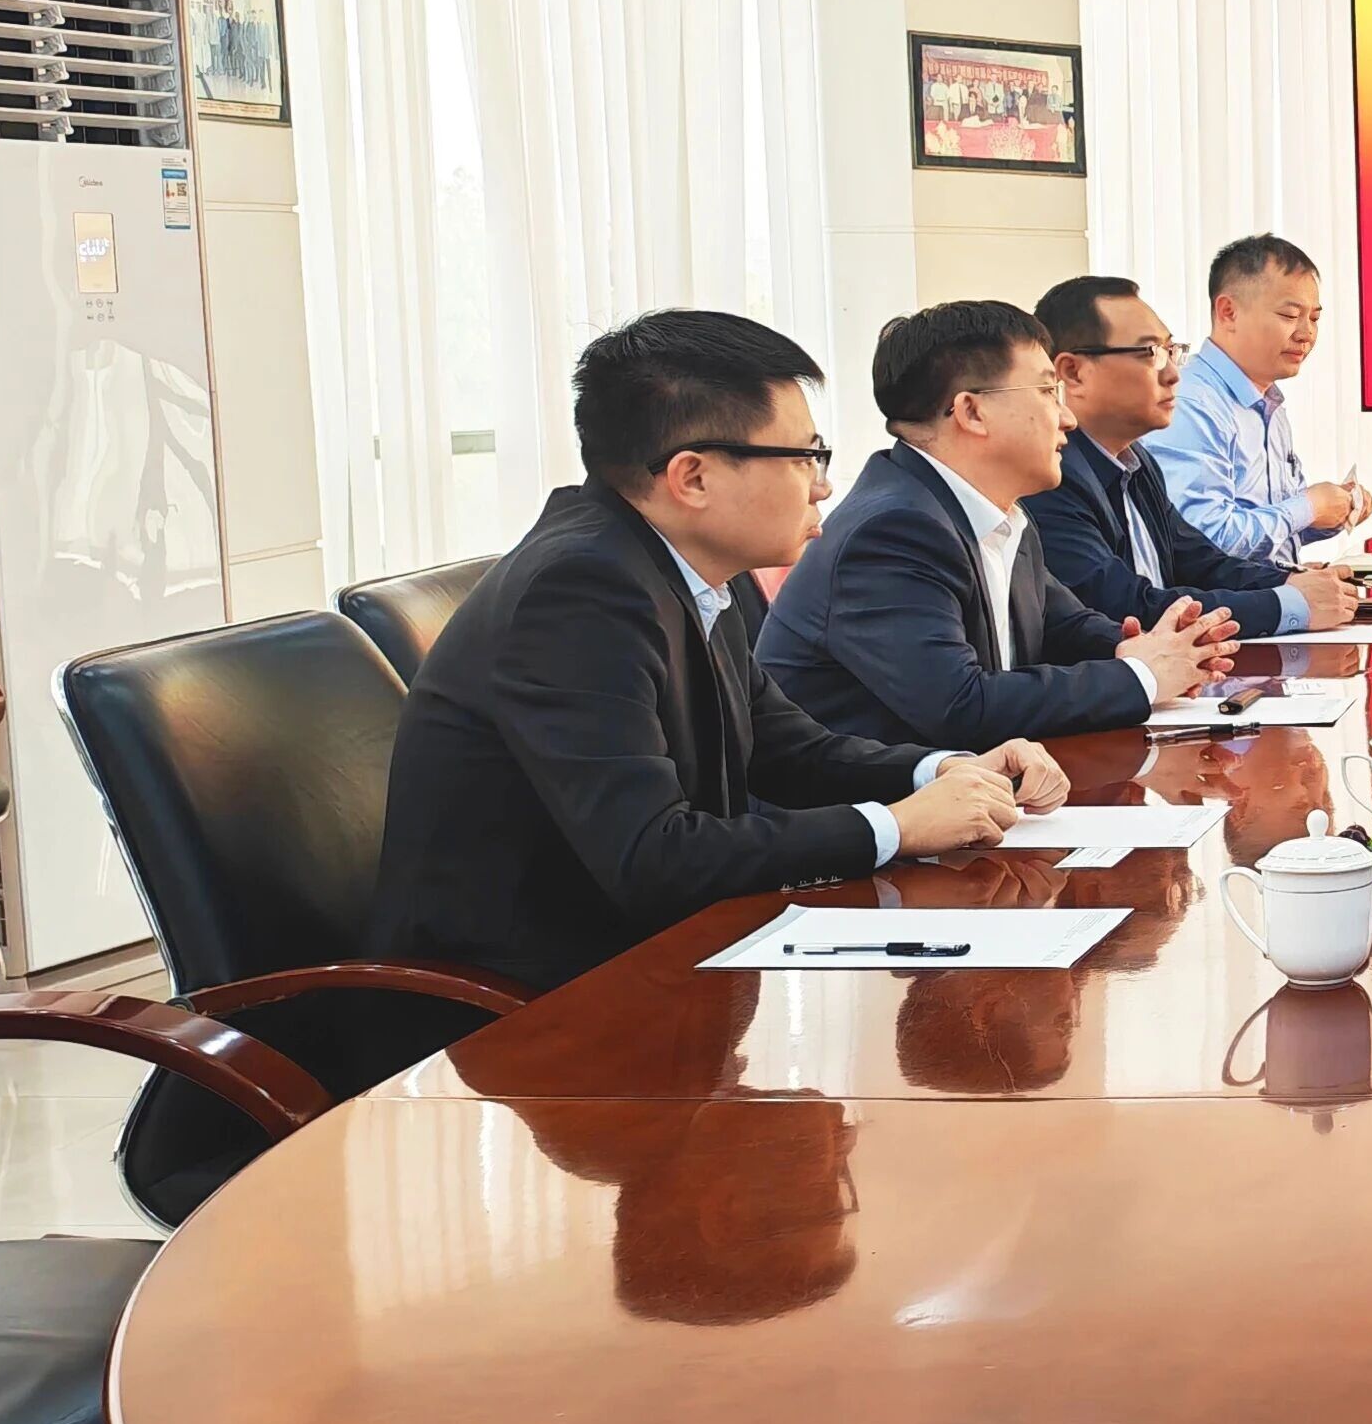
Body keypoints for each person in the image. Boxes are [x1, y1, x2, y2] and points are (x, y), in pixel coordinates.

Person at [372, 310, 1065, 996]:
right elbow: (654, 856)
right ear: (693, 478)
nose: (823, 485)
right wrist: (896, 828)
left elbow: (787, 750)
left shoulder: (679, 566)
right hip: (530, 1002)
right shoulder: (580, 591)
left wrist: (943, 770)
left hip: (655, 960)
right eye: (804, 457)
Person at [759, 299, 1237, 747]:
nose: (1068, 417)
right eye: (1048, 391)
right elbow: (961, 707)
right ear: (972, 411)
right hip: (871, 801)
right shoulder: (891, 531)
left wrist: (1155, 649)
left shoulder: (1001, 513)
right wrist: (1141, 675)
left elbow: (1064, 626)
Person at [1028, 274, 1361, 635]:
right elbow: (1128, 607)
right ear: (1073, 372)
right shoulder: (1051, 477)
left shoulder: (1136, 462)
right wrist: (1287, 604)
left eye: (1171, 351)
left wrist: (1290, 582)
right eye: (1150, 353)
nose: (1174, 374)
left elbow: (1202, 562)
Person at [1137, 233, 1372, 568]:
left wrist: (1333, 511)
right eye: (1289, 315)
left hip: (1268, 589)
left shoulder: (1269, 402)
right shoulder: (1191, 404)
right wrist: (1308, 507)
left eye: (1314, 318)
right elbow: (1206, 543)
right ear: (1228, 312)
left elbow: (1269, 529)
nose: (1306, 334)